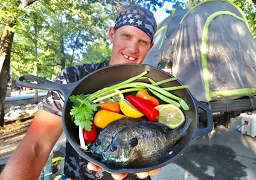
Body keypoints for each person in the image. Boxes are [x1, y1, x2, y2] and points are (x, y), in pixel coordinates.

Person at [0, 5, 161, 180]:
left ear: (150, 46)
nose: (132, 48)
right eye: (126, 36)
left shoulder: (155, 85)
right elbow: (37, 146)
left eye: (142, 42)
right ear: (112, 34)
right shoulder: (74, 78)